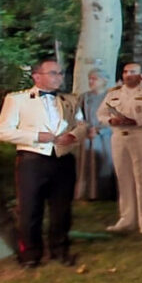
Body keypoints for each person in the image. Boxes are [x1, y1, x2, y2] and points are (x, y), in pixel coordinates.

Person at [0, 59, 86, 267]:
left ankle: (60, 249)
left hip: (63, 159)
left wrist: (73, 136)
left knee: (61, 209)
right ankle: (31, 254)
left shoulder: (69, 99)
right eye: (53, 73)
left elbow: (82, 123)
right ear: (37, 76)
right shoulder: (17, 100)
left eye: (60, 73)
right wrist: (36, 136)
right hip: (32, 160)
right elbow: (4, 131)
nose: (58, 77)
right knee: (30, 209)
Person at [98, 62, 142, 234]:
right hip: (119, 137)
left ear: (141, 76)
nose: (128, 75)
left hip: (140, 135)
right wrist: (111, 121)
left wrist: (137, 121)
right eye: (126, 72)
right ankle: (127, 218)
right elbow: (101, 114)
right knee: (123, 178)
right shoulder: (114, 93)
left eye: (133, 72)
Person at [76, 68, 114, 201]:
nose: (91, 81)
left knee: (107, 162)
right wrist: (86, 128)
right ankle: (90, 192)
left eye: (95, 79)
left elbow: (116, 117)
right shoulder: (84, 97)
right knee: (88, 163)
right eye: (90, 79)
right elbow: (78, 116)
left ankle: (107, 192)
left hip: (107, 136)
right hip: (89, 135)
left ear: (104, 80)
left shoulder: (111, 97)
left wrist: (100, 130)